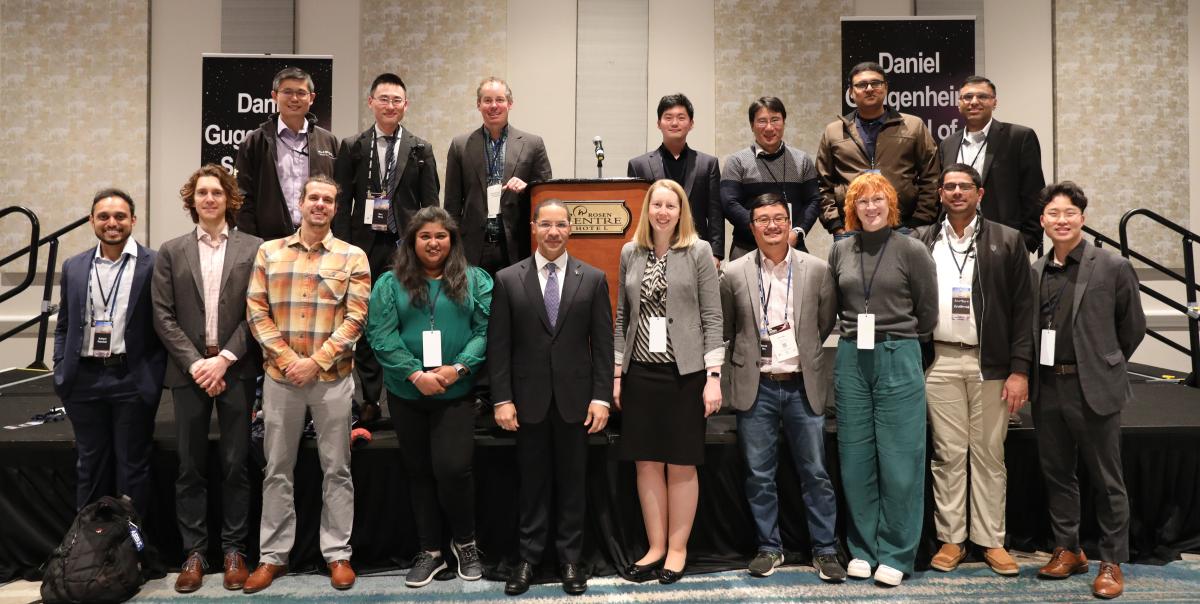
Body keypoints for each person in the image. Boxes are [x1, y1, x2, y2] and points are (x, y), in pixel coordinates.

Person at [242, 175, 371, 594]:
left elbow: (355, 319)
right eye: (313, 197)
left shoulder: (353, 257)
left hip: (332, 380)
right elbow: (256, 312)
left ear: (335, 208)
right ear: (300, 202)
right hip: (281, 380)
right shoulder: (269, 252)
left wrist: (314, 363)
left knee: (338, 469)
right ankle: (272, 557)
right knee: (277, 469)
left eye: (328, 200)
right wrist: (288, 361)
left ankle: (338, 554)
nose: (319, 205)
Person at [488, 199, 613, 596]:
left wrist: (602, 398)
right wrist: (501, 399)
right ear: (534, 228)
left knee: (574, 484)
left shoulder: (592, 278)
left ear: (570, 229)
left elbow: (605, 346)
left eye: (561, 224)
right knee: (532, 484)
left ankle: (571, 560)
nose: (554, 232)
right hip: (527, 402)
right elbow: (499, 347)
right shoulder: (508, 279)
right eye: (547, 224)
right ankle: (528, 558)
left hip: (577, 403)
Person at [914, 164, 1034, 577]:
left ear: (979, 193)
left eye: (965, 186)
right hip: (940, 360)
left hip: (992, 363)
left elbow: (1024, 311)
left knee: (988, 453)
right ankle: (952, 539)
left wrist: (1020, 370)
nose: (957, 192)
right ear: (941, 195)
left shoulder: (1007, 239)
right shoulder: (923, 239)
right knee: (948, 454)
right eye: (949, 187)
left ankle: (991, 541)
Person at [365, 207, 492, 588]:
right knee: (419, 472)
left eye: (441, 236)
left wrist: (459, 368)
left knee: (453, 469)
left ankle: (466, 543)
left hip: (456, 392)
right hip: (408, 393)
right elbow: (380, 335)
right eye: (425, 236)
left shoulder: (475, 280)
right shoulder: (390, 284)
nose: (433, 243)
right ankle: (431, 551)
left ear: (452, 240)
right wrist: (416, 374)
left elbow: (485, 330)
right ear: (411, 241)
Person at [719, 193, 844, 580]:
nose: (771, 226)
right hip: (756, 384)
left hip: (802, 384)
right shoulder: (734, 272)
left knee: (816, 473)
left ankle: (825, 550)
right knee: (759, 474)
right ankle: (769, 548)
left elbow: (823, 324)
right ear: (751, 227)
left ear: (789, 223)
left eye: (778, 218)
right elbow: (728, 327)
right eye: (763, 220)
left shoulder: (818, 269)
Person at [1031, 181, 1145, 600]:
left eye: (1070, 213)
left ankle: (1111, 561)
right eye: (1053, 214)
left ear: (1082, 217)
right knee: (1058, 474)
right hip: (1048, 386)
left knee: (1106, 478)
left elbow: (1132, 328)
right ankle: (1069, 549)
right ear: (1042, 221)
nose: (1061, 220)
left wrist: (1105, 363)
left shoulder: (1111, 266)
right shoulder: (1037, 269)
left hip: (1093, 385)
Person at [151, 165, 263, 592]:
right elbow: (162, 315)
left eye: (217, 192)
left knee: (236, 464)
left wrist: (225, 360)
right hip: (188, 372)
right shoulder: (171, 250)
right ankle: (194, 553)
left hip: (235, 369)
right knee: (190, 465)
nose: (210, 199)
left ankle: (235, 550)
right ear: (192, 200)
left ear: (230, 199)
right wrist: (198, 363)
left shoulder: (254, 248)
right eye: (202, 193)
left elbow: (256, 310)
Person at [828, 172, 937, 586]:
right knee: (856, 458)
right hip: (853, 355)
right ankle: (862, 548)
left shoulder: (911, 249)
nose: (870, 208)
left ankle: (895, 551)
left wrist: (900, 339)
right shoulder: (840, 250)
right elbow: (834, 305)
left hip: (898, 352)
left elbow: (927, 314)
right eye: (862, 201)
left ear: (890, 205)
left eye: (877, 200)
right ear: (851, 209)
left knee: (900, 460)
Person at [614, 179, 723, 584]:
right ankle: (655, 547)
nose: (663, 212)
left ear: (681, 212)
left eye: (670, 206)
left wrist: (714, 377)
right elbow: (622, 317)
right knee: (646, 462)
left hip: (686, 374)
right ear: (648, 210)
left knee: (680, 464)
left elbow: (712, 317)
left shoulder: (697, 251)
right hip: (640, 371)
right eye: (656, 205)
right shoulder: (630, 251)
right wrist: (617, 374)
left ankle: (677, 551)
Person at [53, 188, 166, 524]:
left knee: (133, 467)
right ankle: (87, 549)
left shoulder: (155, 263)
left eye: (119, 216)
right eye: (103, 216)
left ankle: (131, 549)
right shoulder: (74, 266)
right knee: (89, 466)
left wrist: (154, 374)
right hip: (83, 379)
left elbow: (166, 322)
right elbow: (64, 326)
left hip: (131, 378)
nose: (112, 223)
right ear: (92, 221)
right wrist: (61, 369)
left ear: (133, 220)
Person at [333, 72, 440, 424]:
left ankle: (405, 393)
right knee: (363, 320)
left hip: (405, 247)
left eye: (397, 100)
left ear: (405, 105)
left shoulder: (421, 148)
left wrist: (428, 246)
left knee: (408, 317)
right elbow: (343, 200)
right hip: (364, 247)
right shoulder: (353, 146)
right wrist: (345, 247)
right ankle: (370, 398)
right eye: (384, 99)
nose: (390, 106)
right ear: (371, 103)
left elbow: (430, 204)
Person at [817, 62, 940, 236]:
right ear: (851, 92)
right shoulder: (834, 131)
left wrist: (918, 222)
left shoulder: (913, 126)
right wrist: (836, 225)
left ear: (886, 88)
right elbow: (822, 184)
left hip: (904, 228)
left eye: (876, 83)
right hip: (851, 230)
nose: (869, 89)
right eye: (861, 85)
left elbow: (931, 176)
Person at [444, 76, 552, 274]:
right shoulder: (460, 145)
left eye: (500, 100)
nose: (494, 105)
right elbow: (451, 205)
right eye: (487, 100)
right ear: (479, 105)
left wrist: (527, 188)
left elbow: (546, 198)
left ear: (510, 104)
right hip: (473, 247)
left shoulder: (533, 144)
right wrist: (453, 248)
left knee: (514, 304)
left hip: (517, 244)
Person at [938, 76, 1045, 252]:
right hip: (956, 241)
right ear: (959, 104)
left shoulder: (1019, 137)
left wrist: (1027, 242)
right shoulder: (947, 144)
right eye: (967, 97)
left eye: (982, 97)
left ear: (994, 102)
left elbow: (1034, 193)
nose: (974, 102)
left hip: (1004, 242)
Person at [236, 66, 338, 240]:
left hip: (318, 239)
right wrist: (252, 242)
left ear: (311, 98)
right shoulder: (254, 142)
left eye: (301, 93)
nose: (294, 98)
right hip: (269, 242)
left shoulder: (328, 141)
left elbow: (338, 195)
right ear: (275, 96)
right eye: (287, 92)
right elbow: (243, 197)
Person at [627, 93, 723, 265]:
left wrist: (716, 254)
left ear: (691, 124)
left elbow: (715, 213)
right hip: (652, 250)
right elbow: (636, 215)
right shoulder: (638, 165)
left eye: (681, 118)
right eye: (668, 117)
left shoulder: (708, 164)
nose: (674, 123)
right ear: (659, 124)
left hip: (696, 250)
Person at [721, 97, 823, 257]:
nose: (769, 127)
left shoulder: (801, 160)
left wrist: (796, 232)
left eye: (775, 120)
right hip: (747, 247)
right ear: (752, 125)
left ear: (784, 122)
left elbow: (814, 200)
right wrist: (762, 231)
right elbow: (729, 204)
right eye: (762, 121)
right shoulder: (737, 161)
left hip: (792, 244)